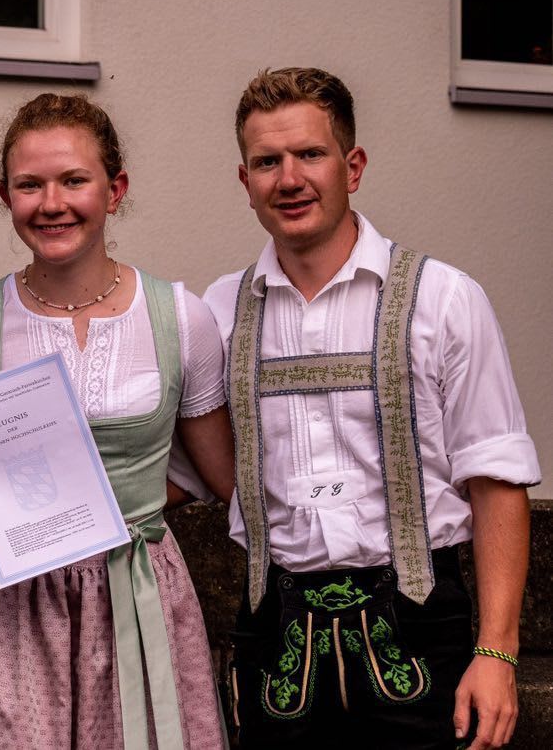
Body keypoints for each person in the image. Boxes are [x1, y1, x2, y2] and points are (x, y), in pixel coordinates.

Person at [202, 67, 540, 750]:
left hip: (422, 633)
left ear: (352, 166)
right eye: (267, 162)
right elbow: (183, 466)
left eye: (310, 154)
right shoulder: (217, 313)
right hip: (276, 639)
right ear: (245, 181)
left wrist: (497, 653)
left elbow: (496, 479)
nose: (289, 179)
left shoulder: (444, 298)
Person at [0, 93, 235, 750]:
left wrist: (123, 508)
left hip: (139, 591)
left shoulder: (181, 319)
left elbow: (219, 476)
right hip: (17, 604)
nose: (51, 202)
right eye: (29, 184)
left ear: (115, 189)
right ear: (6, 196)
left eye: (73, 180)